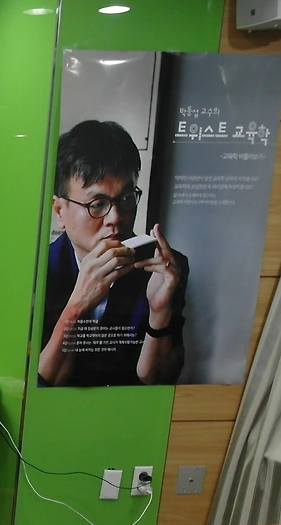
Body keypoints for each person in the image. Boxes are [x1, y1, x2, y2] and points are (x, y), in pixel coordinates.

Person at [40, 119, 188, 387]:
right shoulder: (36, 273)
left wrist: (160, 312)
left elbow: (157, 381)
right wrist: (77, 306)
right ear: (60, 210)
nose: (116, 218)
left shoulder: (163, 268)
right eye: (97, 204)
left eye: (127, 198)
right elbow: (44, 382)